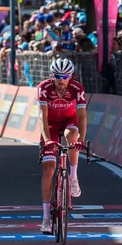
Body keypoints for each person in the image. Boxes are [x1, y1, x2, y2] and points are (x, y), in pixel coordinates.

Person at [37, 58, 87, 233]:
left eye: (65, 76)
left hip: (68, 121)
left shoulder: (76, 88)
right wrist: (46, 138)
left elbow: (82, 117)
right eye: (57, 76)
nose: (61, 79)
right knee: (49, 170)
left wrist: (81, 139)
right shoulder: (44, 87)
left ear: (70, 76)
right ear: (52, 75)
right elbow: (42, 116)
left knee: (72, 135)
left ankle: (73, 176)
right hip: (49, 124)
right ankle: (45, 218)